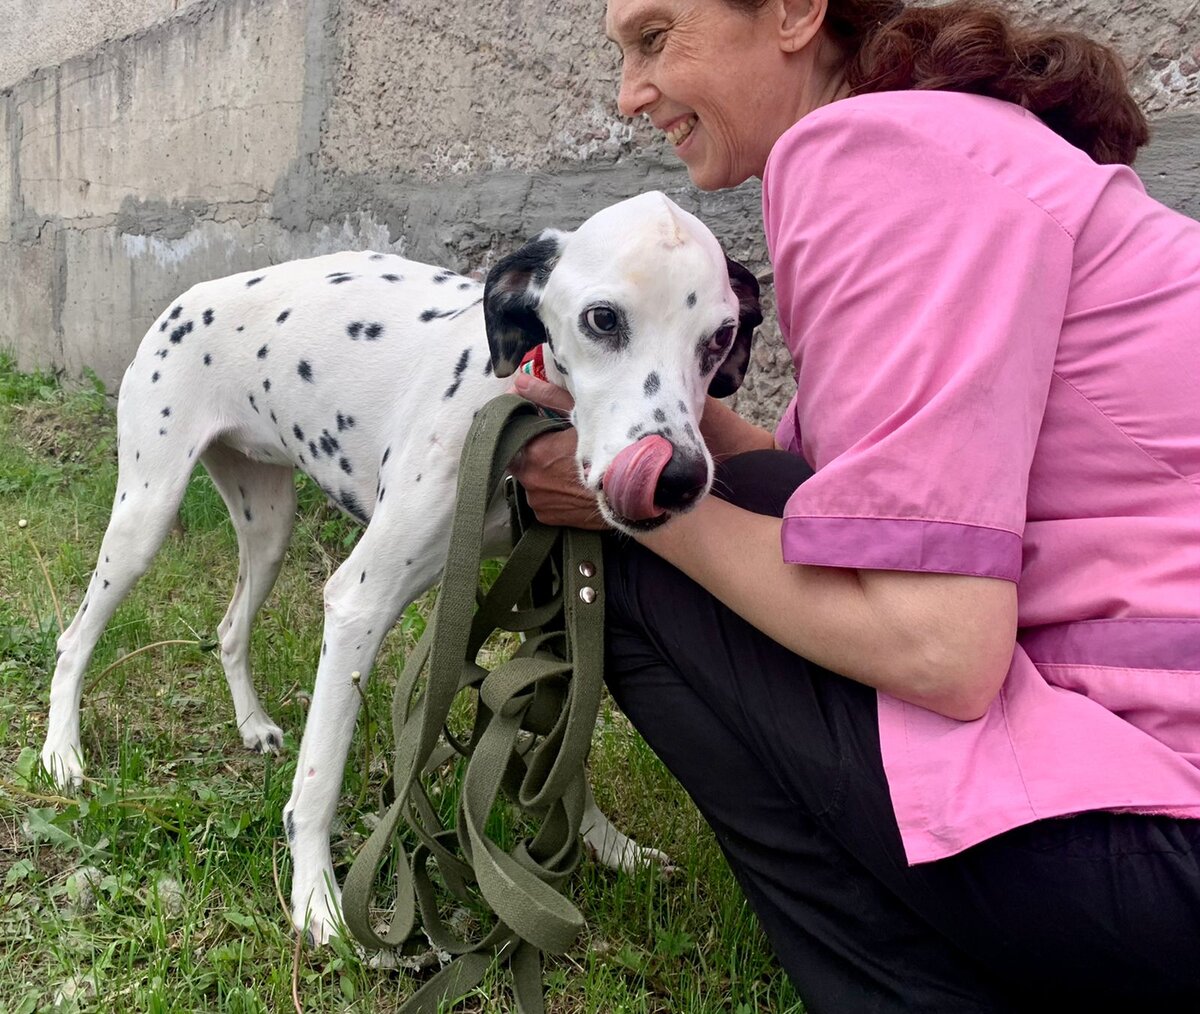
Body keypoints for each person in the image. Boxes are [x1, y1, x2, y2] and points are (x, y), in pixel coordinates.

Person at [510, 0, 1200, 1009]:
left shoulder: (867, 153)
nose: (628, 96)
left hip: (1162, 844)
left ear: (793, 13)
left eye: (655, 39)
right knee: (761, 506)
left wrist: (631, 497)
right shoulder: (951, 142)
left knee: (637, 564)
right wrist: (614, 407)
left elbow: (940, 649)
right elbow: (820, 496)